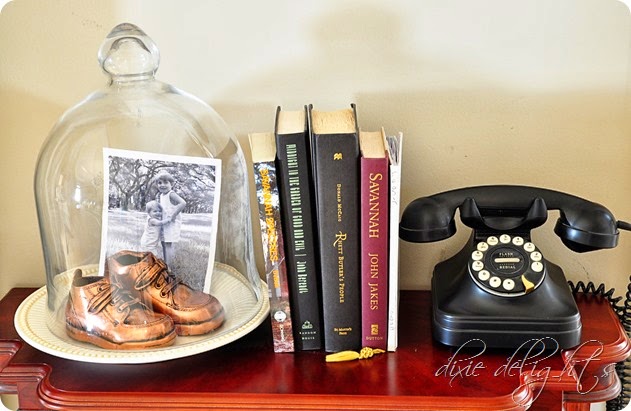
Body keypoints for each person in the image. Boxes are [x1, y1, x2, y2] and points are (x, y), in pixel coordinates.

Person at [154, 171, 187, 269]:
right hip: (164, 222)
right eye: (160, 183)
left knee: (168, 243)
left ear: (171, 184)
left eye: (166, 182)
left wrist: (173, 215)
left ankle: (168, 266)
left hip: (171, 223)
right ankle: (166, 262)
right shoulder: (161, 195)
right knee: (163, 242)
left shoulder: (171, 194)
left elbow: (183, 203)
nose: (162, 185)